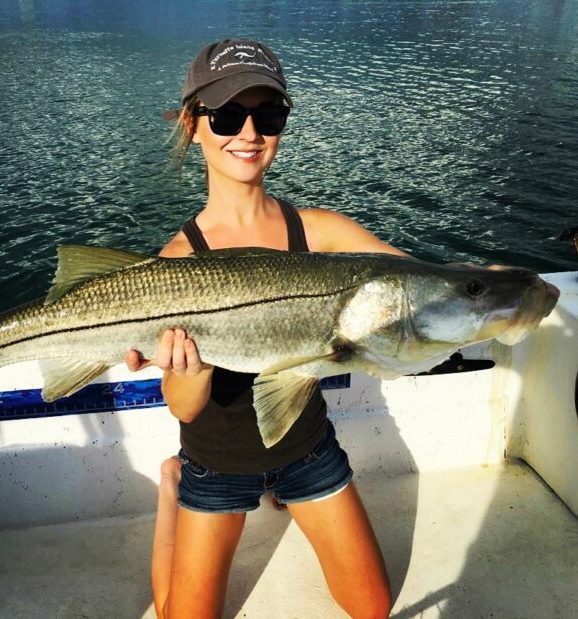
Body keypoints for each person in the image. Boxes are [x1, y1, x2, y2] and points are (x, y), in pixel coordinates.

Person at [125, 38, 408, 619]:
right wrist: (190, 370)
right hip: (215, 459)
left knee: (372, 608)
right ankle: (170, 491)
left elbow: (410, 277)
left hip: (305, 448)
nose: (249, 133)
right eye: (227, 115)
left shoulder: (320, 231)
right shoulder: (175, 263)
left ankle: (282, 491)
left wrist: (485, 281)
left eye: (268, 114)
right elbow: (182, 408)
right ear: (192, 124)